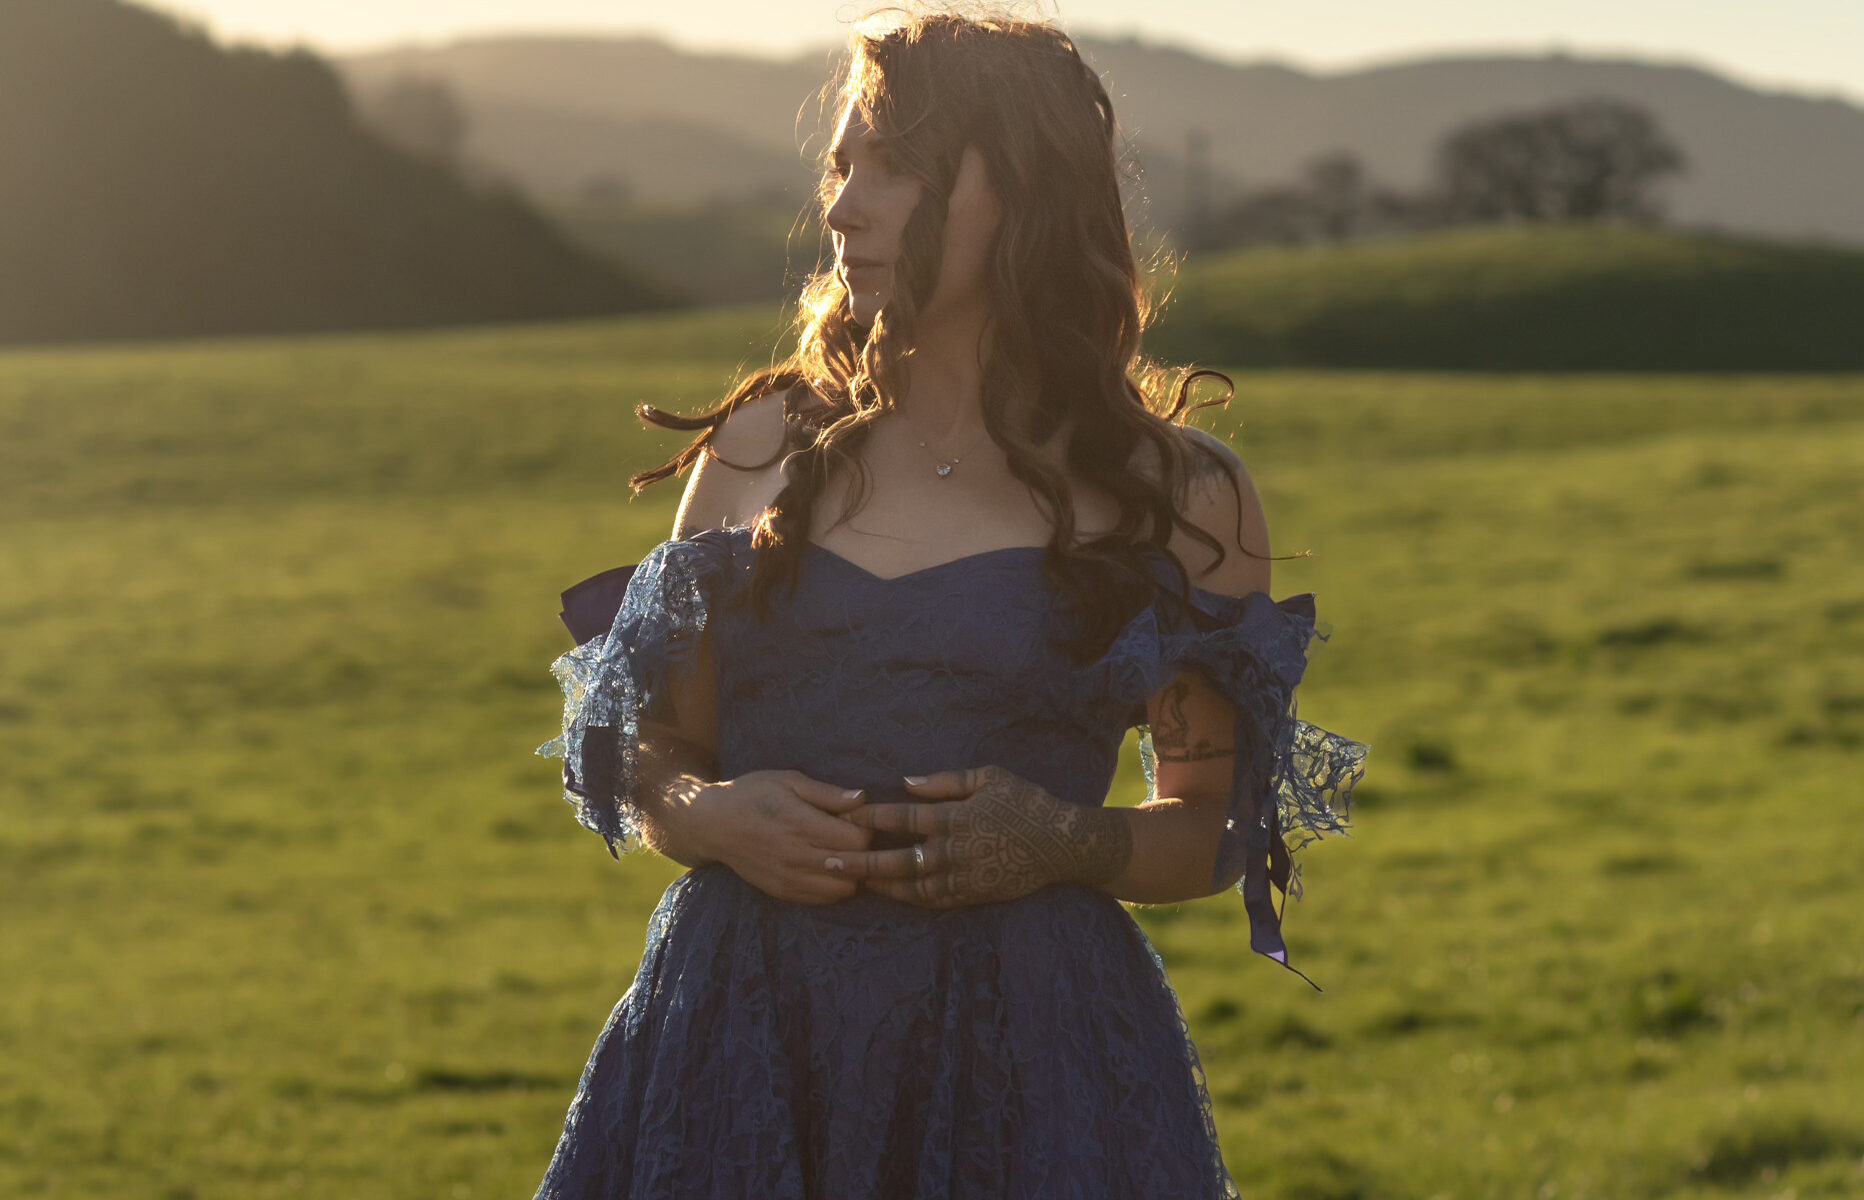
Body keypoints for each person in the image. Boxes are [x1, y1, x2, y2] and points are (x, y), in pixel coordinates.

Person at [533, 12, 1366, 1198]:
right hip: (743, 1038)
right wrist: (708, 815)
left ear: (1026, 189)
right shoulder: (761, 445)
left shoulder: (1178, 493)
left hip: (1031, 1054)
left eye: (896, 166)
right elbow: (651, 749)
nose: (842, 208)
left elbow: (1214, 823)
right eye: (839, 167)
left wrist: (1065, 839)